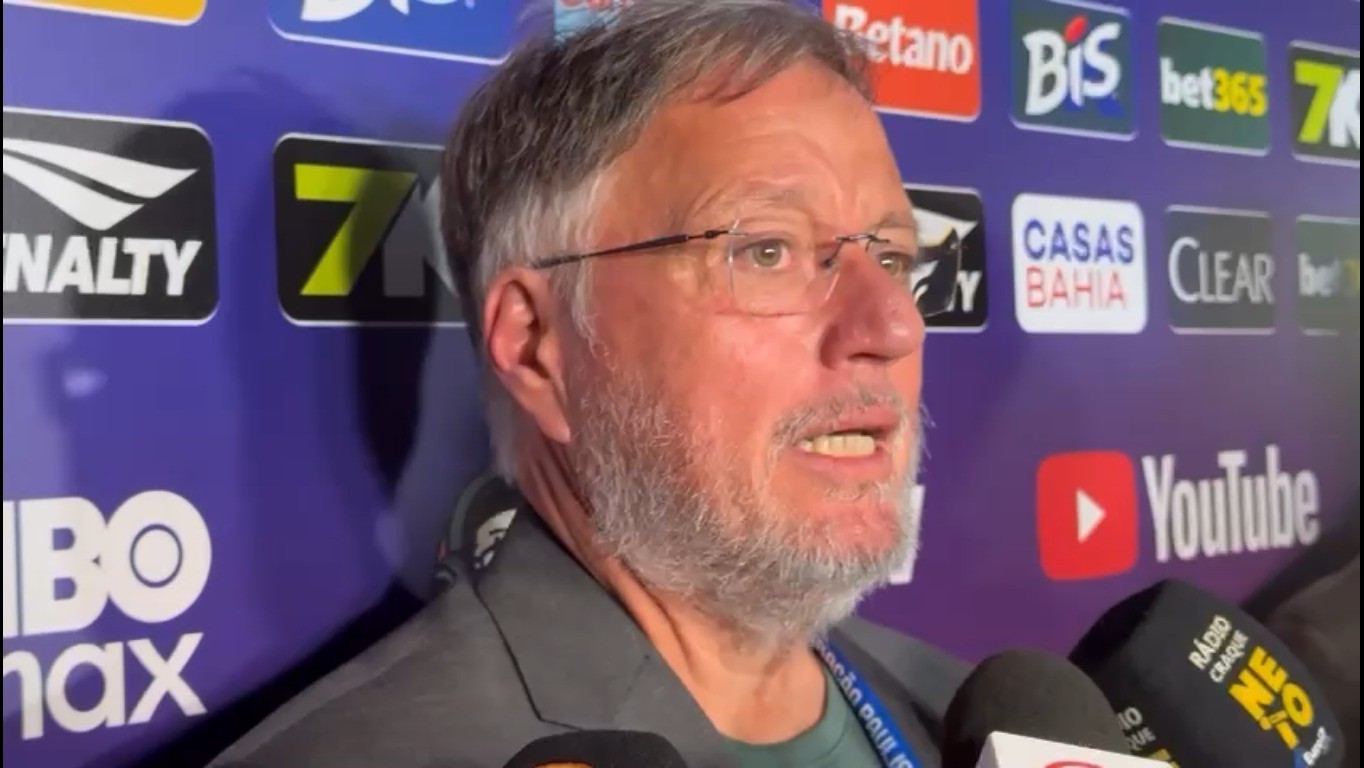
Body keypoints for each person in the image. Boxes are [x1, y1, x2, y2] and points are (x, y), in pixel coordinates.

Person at [211, 2, 970, 766]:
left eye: (892, 257)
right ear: (536, 346)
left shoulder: (962, 716)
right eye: (767, 251)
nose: (892, 327)